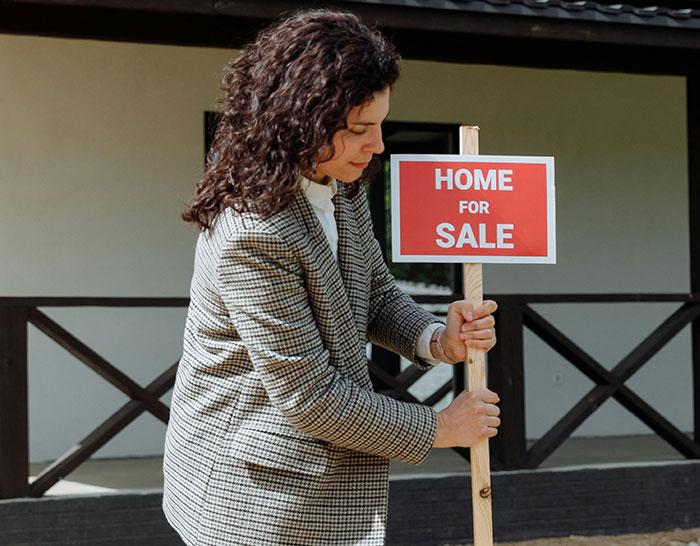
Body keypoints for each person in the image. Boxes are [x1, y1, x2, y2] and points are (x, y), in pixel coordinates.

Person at [162, 8, 501, 546]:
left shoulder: (340, 185)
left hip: (316, 480)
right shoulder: (252, 231)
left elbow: (374, 293)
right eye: (359, 130)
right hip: (253, 498)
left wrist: (438, 339)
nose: (378, 146)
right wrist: (440, 428)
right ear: (300, 123)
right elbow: (311, 398)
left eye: (381, 125)